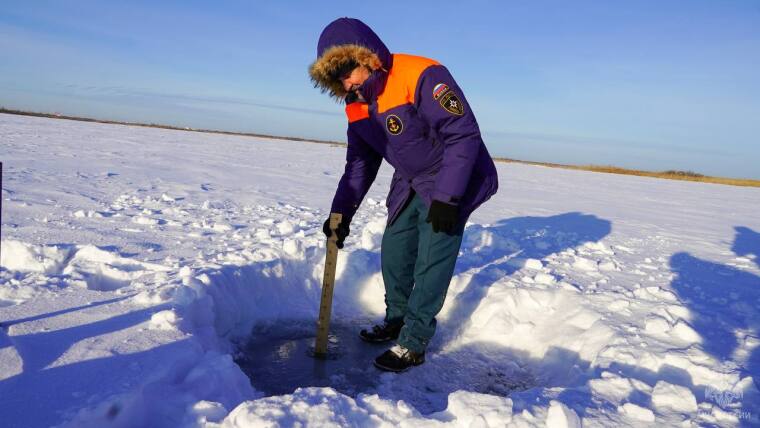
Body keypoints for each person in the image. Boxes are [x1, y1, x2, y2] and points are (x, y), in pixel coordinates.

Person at [309, 17, 498, 372]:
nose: (346, 82)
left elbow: (463, 134)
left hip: (453, 175)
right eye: (337, 79)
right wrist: (341, 214)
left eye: (347, 69)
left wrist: (448, 197)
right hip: (410, 178)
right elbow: (359, 165)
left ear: (364, 56)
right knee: (395, 248)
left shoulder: (421, 74)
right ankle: (397, 318)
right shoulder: (357, 102)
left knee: (432, 258)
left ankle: (414, 342)